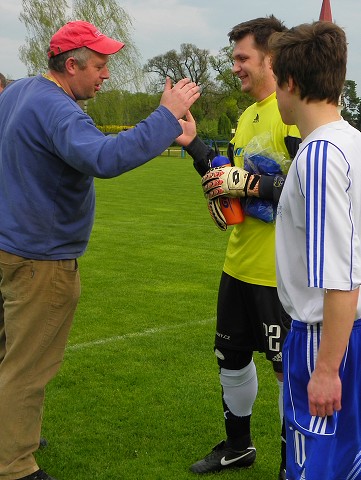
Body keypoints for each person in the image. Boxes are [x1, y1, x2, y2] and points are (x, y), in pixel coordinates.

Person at [0, 20, 200, 480]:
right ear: (71, 65)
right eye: (100, 64)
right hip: (41, 260)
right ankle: (14, 466)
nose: (107, 73)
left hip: (11, 248)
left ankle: (12, 431)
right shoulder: (60, 111)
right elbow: (104, 158)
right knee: (28, 368)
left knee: (8, 354)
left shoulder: (19, 92)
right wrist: (164, 115)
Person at [176, 16, 300, 480]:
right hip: (238, 264)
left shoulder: (291, 113)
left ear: (271, 58)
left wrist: (251, 182)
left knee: (287, 373)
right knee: (230, 358)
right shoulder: (248, 115)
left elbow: (308, 187)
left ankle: (294, 460)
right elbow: (229, 174)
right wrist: (196, 150)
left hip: (279, 276)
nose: (235, 67)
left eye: (242, 57)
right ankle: (238, 447)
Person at [270, 21, 361, 480]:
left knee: (316, 469)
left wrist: (325, 367)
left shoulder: (321, 153)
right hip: (348, 332)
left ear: (289, 82)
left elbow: (341, 276)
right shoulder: (353, 141)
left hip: (326, 336)